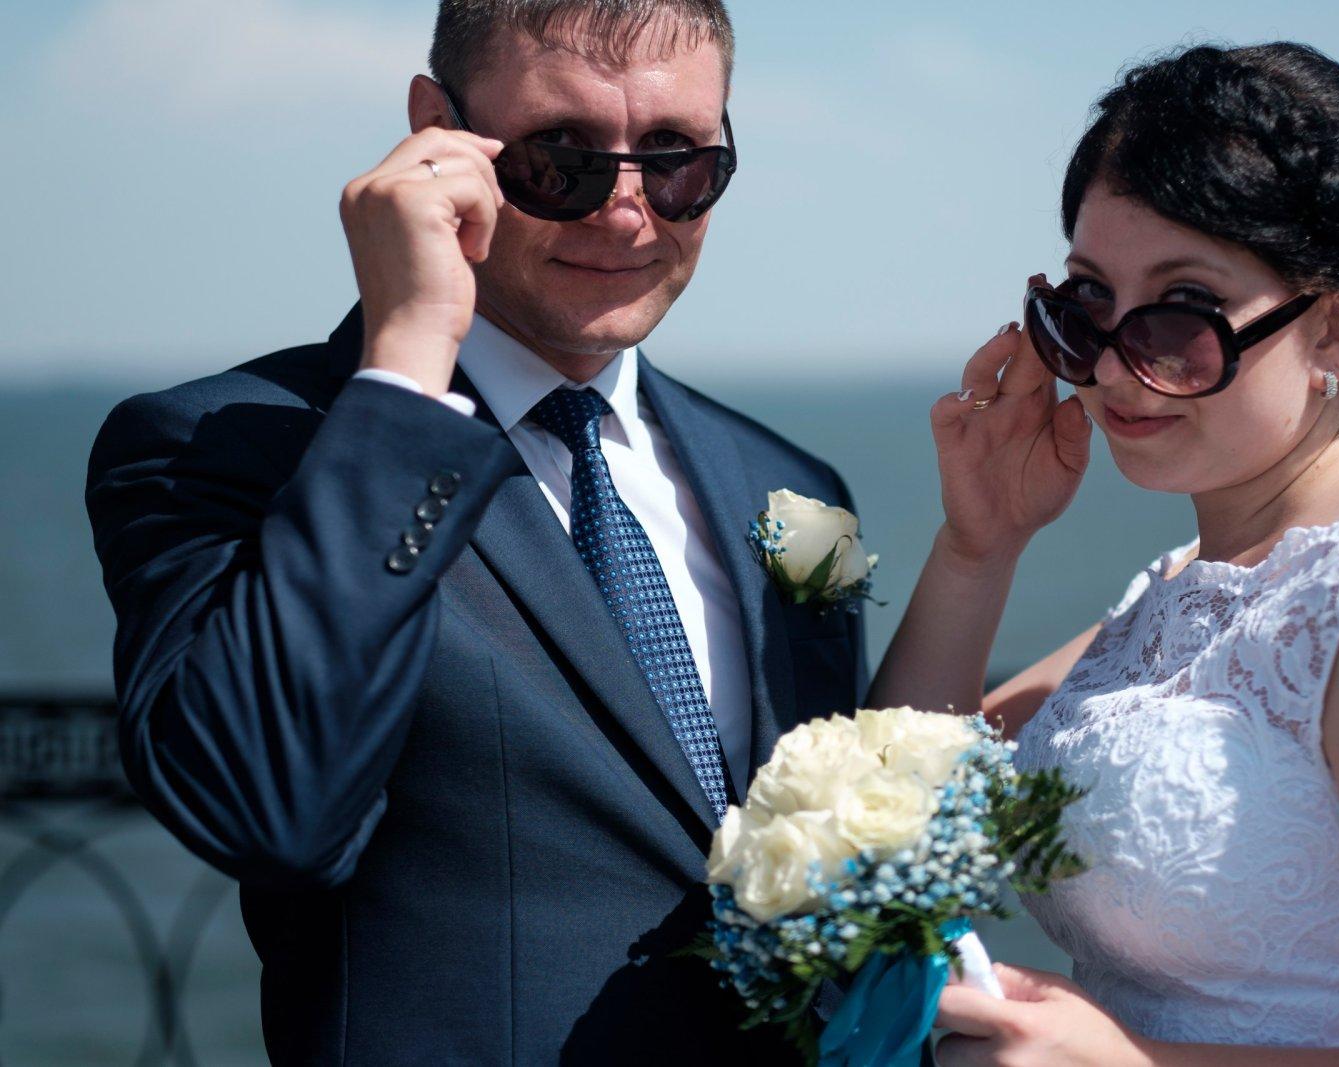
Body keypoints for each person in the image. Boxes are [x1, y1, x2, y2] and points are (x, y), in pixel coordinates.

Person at [83, 1, 864, 1062]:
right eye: (561, 158)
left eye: (675, 159)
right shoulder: (222, 447)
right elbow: (265, 811)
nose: (627, 214)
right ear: (434, 131)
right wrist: (409, 354)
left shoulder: (790, 484)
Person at [869, 42, 1339, 1064]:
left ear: (1337, 329)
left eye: (1181, 316)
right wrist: (977, 548)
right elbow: (884, 809)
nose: (1115, 367)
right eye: (1084, 305)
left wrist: (1134, 1061)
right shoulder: (1195, 585)